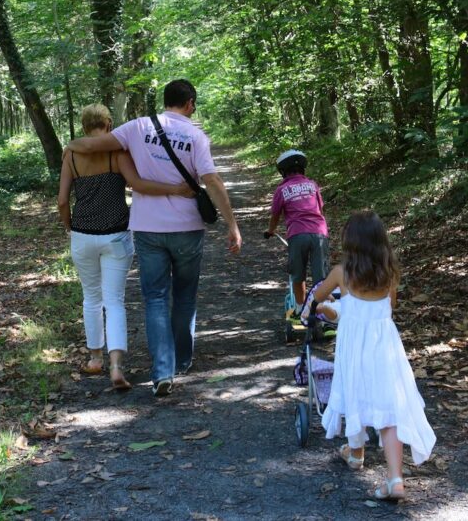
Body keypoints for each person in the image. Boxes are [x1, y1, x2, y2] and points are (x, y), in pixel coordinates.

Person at [66, 79, 242, 397]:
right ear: (189, 103)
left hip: (147, 229)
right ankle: (183, 360)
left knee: (156, 299)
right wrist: (232, 224)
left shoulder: (137, 127)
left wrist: (69, 146)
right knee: (184, 296)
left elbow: (92, 145)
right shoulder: (195, 136)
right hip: (188, 228)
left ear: (165, 101)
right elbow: (212, 181)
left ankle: (162, 370)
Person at [57, 104, 193, 391]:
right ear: (108, 124)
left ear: (84, 126)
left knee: (91, 298)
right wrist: (176, 189)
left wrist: (69, 225)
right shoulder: (117, 153)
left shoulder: (71, 155)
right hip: (116, 235)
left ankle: (95, 359)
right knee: (114, 301)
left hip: (82, 235)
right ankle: (117, 366)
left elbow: (61, 200)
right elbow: (138, 185)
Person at [309, 210, 435, 502]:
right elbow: (385, 308)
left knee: (354, 394)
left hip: (354, 348)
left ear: (350, 243)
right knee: (389, 408)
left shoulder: (342, 273)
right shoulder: (389, 273)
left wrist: (326, 304)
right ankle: (395, 479)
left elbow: (318, 296)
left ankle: (355, 453)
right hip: (386, 347)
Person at [265, 149, 329, 312]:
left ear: (283, 171)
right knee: (320, 276)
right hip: (319, 233)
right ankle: (322, 311)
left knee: (298, 274)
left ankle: (301, 310)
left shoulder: (282, 190)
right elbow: (320, 209)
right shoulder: (312, 185)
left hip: (297, 234)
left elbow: (275, 214)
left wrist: (271, 230)